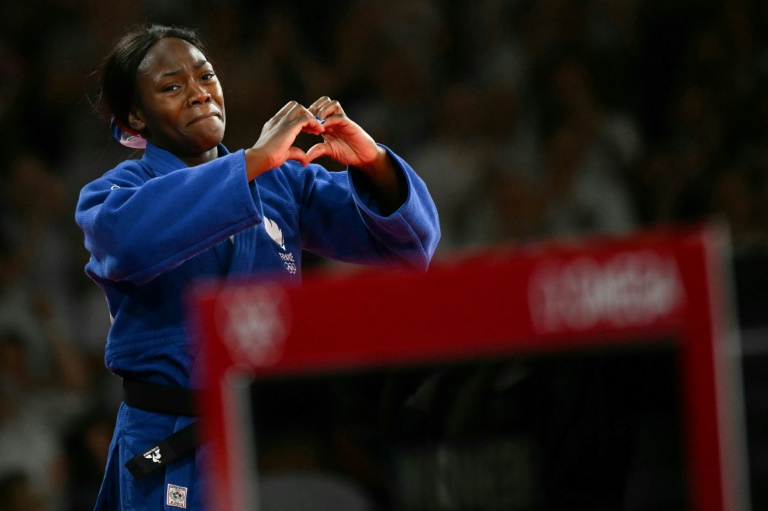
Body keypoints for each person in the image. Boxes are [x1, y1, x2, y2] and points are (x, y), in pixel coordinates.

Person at [75, 24, 440, 511]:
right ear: (135, 117)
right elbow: (130, 241)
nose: (199, 94)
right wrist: (251, 161)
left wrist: (371, 161)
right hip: (174, 440)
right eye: (172, 86)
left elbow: (410, 248)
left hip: (272, 442)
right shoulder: (113, 194)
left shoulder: (282, 182)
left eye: (206, 77)